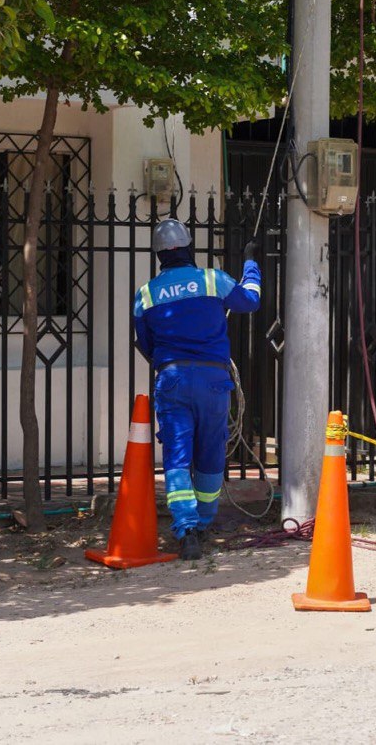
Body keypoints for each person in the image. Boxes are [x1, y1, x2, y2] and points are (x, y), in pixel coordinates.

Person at [133, 219, 261, 560]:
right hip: (214, 381)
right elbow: (250, 301)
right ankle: (204, 522)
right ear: (189, 246)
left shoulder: (146, 294)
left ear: (159, 254)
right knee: (210, 453)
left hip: (172, 378)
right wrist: (250, 263)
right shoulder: (212, 279)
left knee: (177, 457)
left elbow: (144, 343)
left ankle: (186, 529)